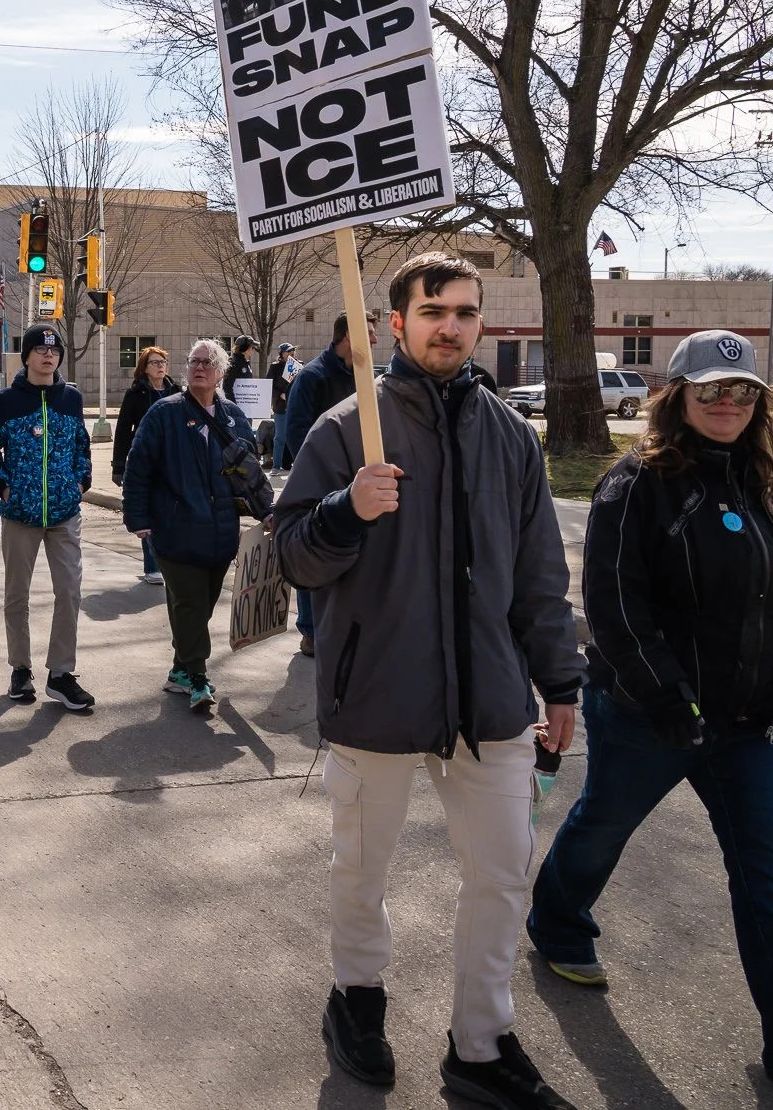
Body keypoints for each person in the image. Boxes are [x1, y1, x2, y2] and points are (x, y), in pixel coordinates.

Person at [529, 331, 773, 1098]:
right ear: (678, 396)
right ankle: (558, 918)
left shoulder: (760, 480)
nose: (728, 403)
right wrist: (666, 696)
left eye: (742, 390)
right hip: (649, 715)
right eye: (711, 389)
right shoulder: (636, 484)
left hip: (749, 724)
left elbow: (768, 598)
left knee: (765, 875)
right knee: (603, 823)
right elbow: (613, 604)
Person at [273, 253, 583, 1109]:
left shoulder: (512, 436)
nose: (450, 325)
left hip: (489, 699)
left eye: (466, 311)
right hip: (376, 692)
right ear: (395, 323)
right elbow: (292, 554)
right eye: (434, 309)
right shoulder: (345, 429)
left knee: (502, 871)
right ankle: (358, 999)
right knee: (361, 867)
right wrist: (348, 508)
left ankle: (481, 1045)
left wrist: (561, 684)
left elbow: (539, 577)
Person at [120, 339, 254, 713]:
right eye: (194, 361)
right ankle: (198, 676)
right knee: (190, 605)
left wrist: (267, 510)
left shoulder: (232, 417)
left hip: (221, 532)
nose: (199, 367)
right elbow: (138, 467)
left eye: (208, 362)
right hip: (175, 530)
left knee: (200, 606)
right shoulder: (165, 413)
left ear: (221, 372)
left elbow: (249, 472)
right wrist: (138, 518)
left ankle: (179, 669)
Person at [0, 326, 95, 711]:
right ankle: (20, 668)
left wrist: (80, 483)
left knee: (70, 591)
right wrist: (4, 488)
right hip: (20, 514)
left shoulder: (71, 399)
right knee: (17, 595)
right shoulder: (5, 402)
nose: (48, 355)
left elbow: (82, 445)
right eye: (40, 350)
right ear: (26, 356)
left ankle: (61, 673)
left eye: (54, 349)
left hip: (64, 513)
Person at [279, 315, 365, 655]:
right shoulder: (313, 376)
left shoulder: (359, 375)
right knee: (313, 551)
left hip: (352, 482)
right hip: (317, 482)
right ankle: (311, 630)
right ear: (348, 336)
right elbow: (296, 432)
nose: (374, 342)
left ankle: (340, 624)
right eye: (368, 334)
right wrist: (316, 474)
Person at [111, 345, 175, 586]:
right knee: (148, 514)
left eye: (163, 362)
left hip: (172, 463)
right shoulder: (136, 394)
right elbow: (123, 431)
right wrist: (119, 465)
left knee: (169, 513)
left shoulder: (176, 392)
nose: (160, 366)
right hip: (145, 462)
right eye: (155, 363)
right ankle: (152, 566)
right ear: (145, 368)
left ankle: (168, 563)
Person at [266, 341, 299, 469]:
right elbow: (269, 385)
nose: (291, 353)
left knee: (295, 436)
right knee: (280, 437)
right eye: (288, 351)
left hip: (295, 406)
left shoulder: (299, 365)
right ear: (282, 354)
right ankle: (276, 465)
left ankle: (296, 465)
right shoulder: (275, 367)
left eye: (293, 351)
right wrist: (280, 394)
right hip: (280, 407)